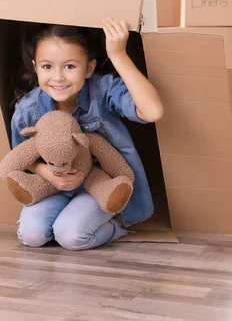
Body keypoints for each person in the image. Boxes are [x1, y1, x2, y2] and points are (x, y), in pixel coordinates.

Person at [10, 18, 164, 251]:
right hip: (54, 185)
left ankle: (115, 225)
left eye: (70, 66)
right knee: (31, 235)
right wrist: (48, 175)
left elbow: (152, 111)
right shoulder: (28, 109)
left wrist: (118, 55)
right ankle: (67, 219)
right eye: (47, 66)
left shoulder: (102, 90)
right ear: (35, 66)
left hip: (99, 186)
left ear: (89, 68)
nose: (58, 77)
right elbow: (22, 158)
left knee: (70, 236)